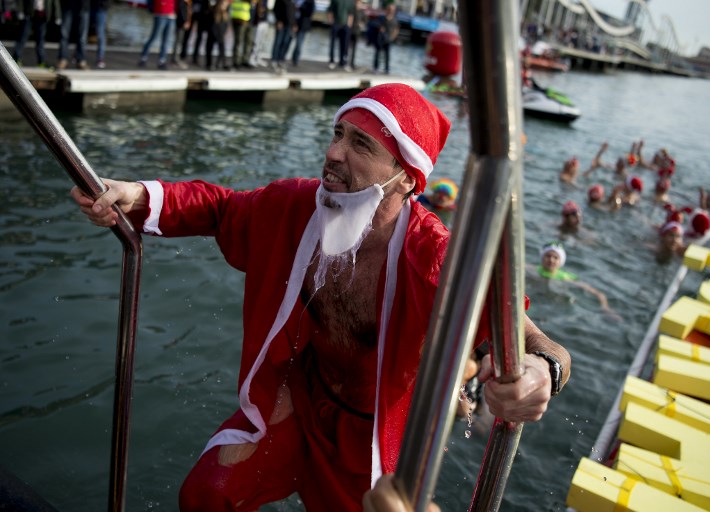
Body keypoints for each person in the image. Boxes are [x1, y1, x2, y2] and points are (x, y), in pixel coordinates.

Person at [70, 84, 570, 511]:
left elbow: (535, 341)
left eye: (360, 144)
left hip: (370, 441)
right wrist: (140, 196)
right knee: (208, 494)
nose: (334, 153)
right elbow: (222, 209)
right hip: (299, 402)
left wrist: (541, 372)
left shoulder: (437, 259)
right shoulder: (296, 206)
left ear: (406, 176)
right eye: (337, 135)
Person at [531, 242, 620, 320]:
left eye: (556, 257)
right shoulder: (532, 269)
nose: (551, 260)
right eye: (548, 256)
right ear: (542, 257)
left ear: (561, 261)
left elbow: (599, 294)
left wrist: (605, 307)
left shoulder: (566, 277)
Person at [11, 0, 61, 69]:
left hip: (42, 15)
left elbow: (55, 2)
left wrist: (58, 15)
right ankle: (16, 58)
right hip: (30, 13)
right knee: (23, 37)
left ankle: (41, 61)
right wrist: (20, 10)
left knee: (40, 39)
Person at [138, 0, 178, 69]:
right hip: (160, 15)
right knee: (153, 38)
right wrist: (152, 10)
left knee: (166, 41)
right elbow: (149, 2)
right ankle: (143, 58)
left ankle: (162, 61)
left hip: (171, 16)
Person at [58, 0, 90, 70]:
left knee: (82, 37)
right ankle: (63, 59)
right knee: (64, 34)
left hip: (84, 6)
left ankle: (81, 60)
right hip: (68, 5)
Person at [327, 0, 354, 70]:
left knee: (344, 44)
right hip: (336, 23)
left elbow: (351, 13)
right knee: (333, 43)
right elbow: (330, 10)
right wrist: (331, 21)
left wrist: (349, 25)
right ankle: (331, 61)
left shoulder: (350, 1)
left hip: (345, 25)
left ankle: (343, 62)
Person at [373, 3, 398, 74]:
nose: (390, 11)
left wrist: (392, 38)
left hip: (388, 40)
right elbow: (376, 24)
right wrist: (380, 28)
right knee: (377, 54)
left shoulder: (395, 20)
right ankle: (376, 68)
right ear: (387, 10)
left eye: (392, 10)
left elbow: (396, 30)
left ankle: (387, 69)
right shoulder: (382, 18)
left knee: (387, 55)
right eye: (389, 9)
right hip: (380, 39)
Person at [270, 0, 294, 71]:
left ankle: (281, 59)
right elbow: (276, 9)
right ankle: (274, 59)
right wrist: (278, 20)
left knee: (285, 43)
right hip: (281, 23)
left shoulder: (292, 2)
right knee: (278, 42)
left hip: (289, 24)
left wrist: (294, 24)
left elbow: (292, 12)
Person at [290, 0, 315, 67]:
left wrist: (300, 8)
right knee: (287, 41)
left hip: (302, 25)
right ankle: (282, 58)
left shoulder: (310, 1)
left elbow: (310, 12)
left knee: (299, 44)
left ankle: (295, 60)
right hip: (293, 23)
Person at [246, 0, 269, 67]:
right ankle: (252, 58)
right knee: (256, 42)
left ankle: (258, 57)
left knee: (261, 42)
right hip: (257, 23)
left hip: (264, 22)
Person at [170, 0, 192, 69]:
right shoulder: (181, 2)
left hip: (182, 24)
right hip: (180, 24)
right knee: (178, 42)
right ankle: (175, 60)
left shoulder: (186, 3)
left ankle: (176, 59)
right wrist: (185, 22)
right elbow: (182, 13)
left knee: (179, 41)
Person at [348, 0, 366, 70]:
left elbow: (365, 20)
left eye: (359, 3)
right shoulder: (352, 10)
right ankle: (345, 61)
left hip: (357, 32)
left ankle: (352, 63)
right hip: (350, 31)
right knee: (348, 47)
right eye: (357, 3)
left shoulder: (362, 12)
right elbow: (349, 18)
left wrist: (362, 24)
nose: (358, 5)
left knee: (354, 49)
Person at [92, 0, 108, 68]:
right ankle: (77, 55)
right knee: (81, 31)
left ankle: (100, 58)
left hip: (101, 7)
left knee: (100, 34)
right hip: (86, 6)